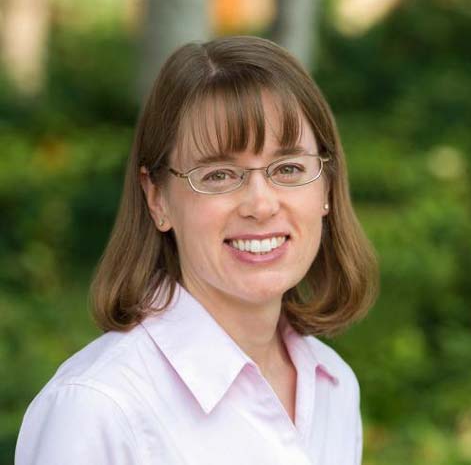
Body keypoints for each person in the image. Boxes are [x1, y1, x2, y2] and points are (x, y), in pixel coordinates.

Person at [15, 35, 378, 464]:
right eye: (219, 175)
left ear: (326, 187)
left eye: (289, 168)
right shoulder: (98, 409)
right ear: (157, 199)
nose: (261, 205)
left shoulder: (333, 383)